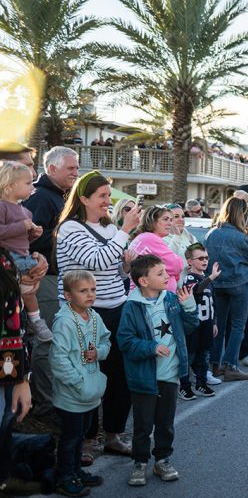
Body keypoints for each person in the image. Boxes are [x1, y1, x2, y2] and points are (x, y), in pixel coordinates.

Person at [54, 171, 142, 457]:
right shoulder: (71, 229)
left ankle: (113, 434)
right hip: (86, 314)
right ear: (83, 199)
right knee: (89, 374)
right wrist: (125, 229)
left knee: (119, 375)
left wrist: (125, 268)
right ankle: (86, 440)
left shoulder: (107, 228)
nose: (108, 201)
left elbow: (109, 268)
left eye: (108, 194)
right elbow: (94, 260)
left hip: (117, 308)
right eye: (102, 196)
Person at [118, 254, 198, 486]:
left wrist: (189, 306)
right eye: (160, 273)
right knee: (143, 424)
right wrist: (151, 347)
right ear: (143, 281)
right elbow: (125, 341)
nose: (167, 276)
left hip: (170, 374)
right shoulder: (131, 307)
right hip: (144, 376)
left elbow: (189, 327)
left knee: (165, 422)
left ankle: (162, 460)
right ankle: (140, 462)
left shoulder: (172, 300)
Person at [21, 146, 79, 426]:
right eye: (71, 168)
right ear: (52, 169)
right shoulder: (42, 198)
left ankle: (51, 399)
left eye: (77, 168)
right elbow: (27, 242)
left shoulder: (58, 197)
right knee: (46, 340)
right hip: (43, 280)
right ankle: (45, 404)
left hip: (56, 278)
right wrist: (66, 241)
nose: (75, 173)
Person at [50, 269, 110, 497]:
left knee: (82, 432)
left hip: (90, 392)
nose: (90, 295)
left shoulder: (94, 317)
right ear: (67, 295)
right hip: (71, 393)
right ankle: (64, 476)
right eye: (83, 291)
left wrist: (99, 353)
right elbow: (58, 360)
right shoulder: (64, 323)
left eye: (93, 290)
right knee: (70, 437)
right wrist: (78, 382)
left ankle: (76, 470)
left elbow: (106, 340)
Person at [206, 198, 248, 382]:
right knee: (238, 325)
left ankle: (216, 365)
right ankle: (230, 365)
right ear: (240, 214)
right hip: (238, 283)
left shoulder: (212, 233)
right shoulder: (240, 236)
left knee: (220, 326)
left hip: (218, 283)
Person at [0, 247, 33, 498]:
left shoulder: (4, 256)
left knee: (6, 418)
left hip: (7, 360)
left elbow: (13, 319)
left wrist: (20, 377)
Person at [0, 162, 48, 340]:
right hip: (9, 259)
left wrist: (33, 235)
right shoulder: (2, 207)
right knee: (28, 291)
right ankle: (35, 320)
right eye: (28, 183)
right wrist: (20, 226)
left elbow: (23, 240)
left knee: (29, 290)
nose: (32, 186)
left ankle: (32, 319)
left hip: (22, 256)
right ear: (11, 185)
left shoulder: (27, 212)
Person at [178, 244, 221, 400]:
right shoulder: (190, 278)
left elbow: (213, 302)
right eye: (200, 258)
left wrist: (214, 322)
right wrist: (210, 278)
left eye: (206, 258)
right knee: (189, 356)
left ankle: (201, 383)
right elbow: (195, 290)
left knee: (204, 356)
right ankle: (184, 386)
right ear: (190, 261)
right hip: (194, 325)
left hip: (207, 324)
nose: (205, 261)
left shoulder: (206, 279)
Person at [129, 207, 185, 291]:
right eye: (165, 219)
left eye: (171, 220)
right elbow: (176, 265)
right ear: (152, 221)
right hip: (150, 299)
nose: (170, 223)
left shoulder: (145, 237)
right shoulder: (149, 238)